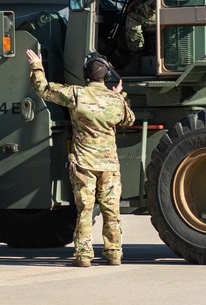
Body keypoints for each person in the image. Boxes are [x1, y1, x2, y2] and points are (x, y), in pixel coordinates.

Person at [26, 48, 136, 267]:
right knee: (111, 211)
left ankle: (84, 256)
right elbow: (129, 120)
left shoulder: (77, 94)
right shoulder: (115, 100)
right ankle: (114, 254)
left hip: (84, 164)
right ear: (106, 76)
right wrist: (119, 96)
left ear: (87, 75)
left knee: (85, 209)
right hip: (109, 166)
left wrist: (37, 65)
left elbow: (43, 89)